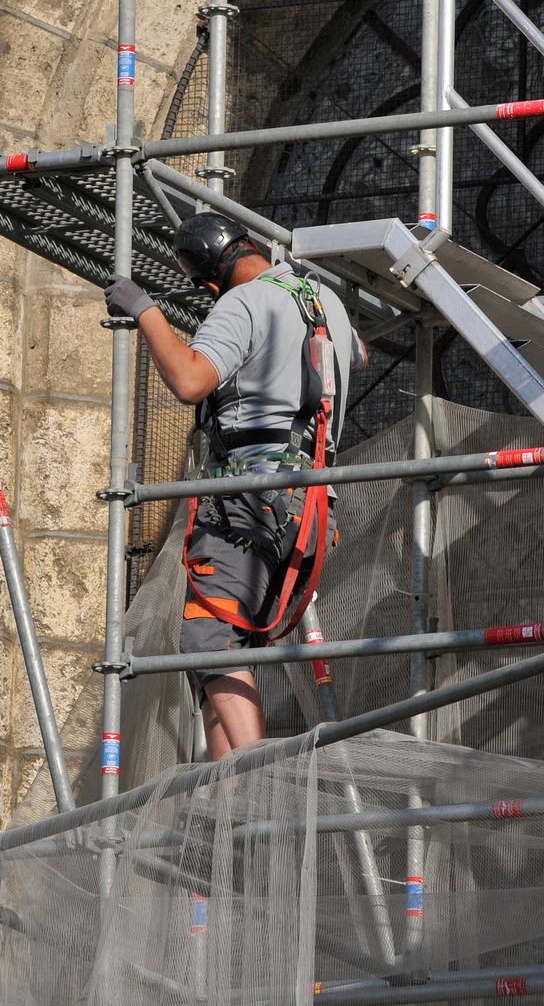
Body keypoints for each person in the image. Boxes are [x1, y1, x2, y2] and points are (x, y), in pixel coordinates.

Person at [106, 213, 364, 760]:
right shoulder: (327, 305)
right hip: (313, 510)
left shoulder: (241, 302)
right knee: (224, 648)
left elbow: (190, 380)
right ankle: (231, 797)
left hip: (251, 502)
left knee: (208, 636)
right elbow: (358, 354)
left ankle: (259, 777)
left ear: (209, 283)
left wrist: (145, 310)